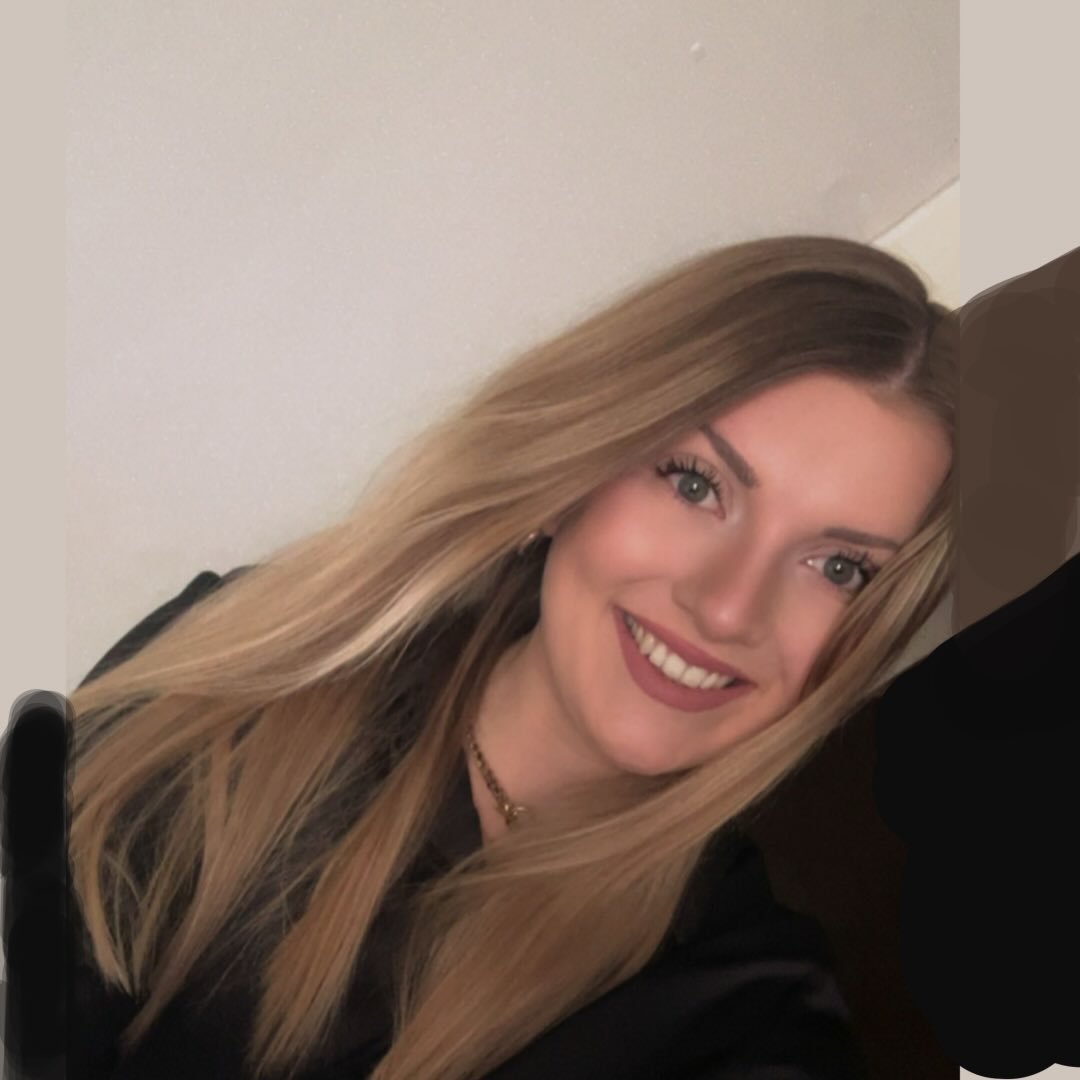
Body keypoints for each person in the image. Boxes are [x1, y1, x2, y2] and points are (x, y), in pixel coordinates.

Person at [66, 235, 955, 1079]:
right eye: (696, 484)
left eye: (839, 569)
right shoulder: (247, 662)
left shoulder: (745, 1009)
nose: (726, 607)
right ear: (574, 470)